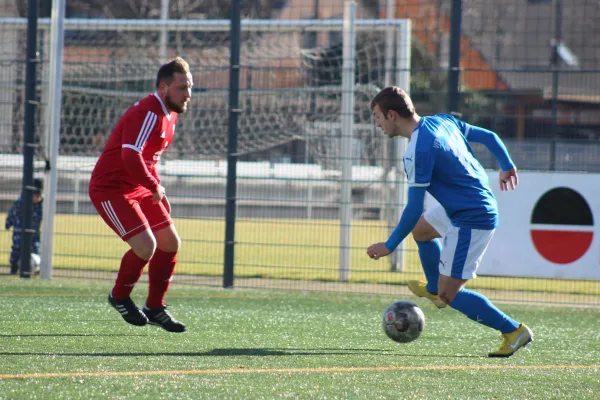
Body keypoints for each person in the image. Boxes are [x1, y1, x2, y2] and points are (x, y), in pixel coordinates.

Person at [366, 86, 532, 357]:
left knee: (450, 295)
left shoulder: (417, 151)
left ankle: (513, 330)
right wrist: (506, 164)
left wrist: (390, 244)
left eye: (378, 117)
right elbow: (489, 137)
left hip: (472, 217)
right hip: (464, 205)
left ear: (392, 115)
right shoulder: (443, 120)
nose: (377, 124)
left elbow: (413, 207)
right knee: (421, 231)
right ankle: (432, 289)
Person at [89, 57, 192, 333]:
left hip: (138, 185)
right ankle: (119, 296)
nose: (188, 94)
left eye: (189, 87)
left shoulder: (171, 115)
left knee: (170, 242)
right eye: (182, 87)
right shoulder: (149, 112)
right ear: (163, 87)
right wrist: (153, 186)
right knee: (146, 246)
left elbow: (148, 159)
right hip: (111, 188)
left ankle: (155, 307)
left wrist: (157, 187)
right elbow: (130, 156)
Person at [5, 178, 44, 276]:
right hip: (19, 231)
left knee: (34, 249)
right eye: (35, 196)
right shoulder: (21, 202)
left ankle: (34, 268)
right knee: (17, 249)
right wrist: (8, 223)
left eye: (38, 196)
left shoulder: (41, 205)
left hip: (34, 233)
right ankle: (14, 268)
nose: (36, 198)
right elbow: (12, 213)